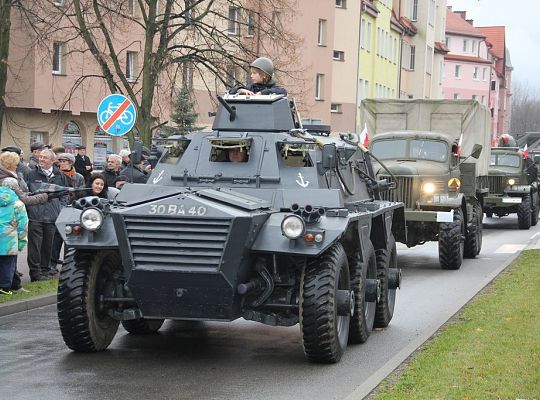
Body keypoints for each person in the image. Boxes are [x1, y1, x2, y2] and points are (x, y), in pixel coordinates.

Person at [25, 148, 70, 281]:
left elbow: (65, 195)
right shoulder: (31, 174)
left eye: (45, 157)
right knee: (35, 247)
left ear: (52, 161)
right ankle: (35, 273)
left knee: (48, 246)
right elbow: (25, 193)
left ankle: (45, 271)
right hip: (35, 216)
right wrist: (30, 209)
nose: (41, 159)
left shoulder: (60, 176)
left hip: (52, 217)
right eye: (41, 157)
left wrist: (59, 209)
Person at [0, 186, 28, 296]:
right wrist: (22, 241)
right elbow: (23, 225)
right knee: (9, 264)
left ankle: (9, 286)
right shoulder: (17, 204)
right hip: (9, 239)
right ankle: (4, 288)